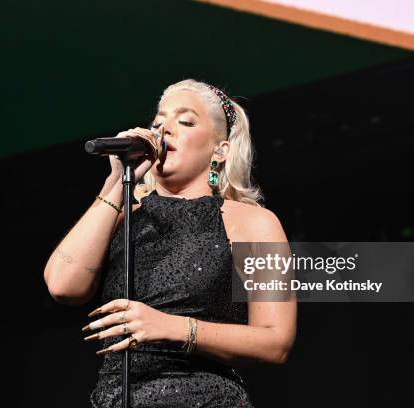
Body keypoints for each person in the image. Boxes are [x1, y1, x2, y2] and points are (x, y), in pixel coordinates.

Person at [43, 79, 297, 407]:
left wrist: (173, 328)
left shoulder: (254, 223)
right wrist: (116, 183)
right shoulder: (122, 216)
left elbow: (276, 341)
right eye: (158, 122)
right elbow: (63, 285)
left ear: (220, 150)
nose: (165, 130)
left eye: (186, 121)